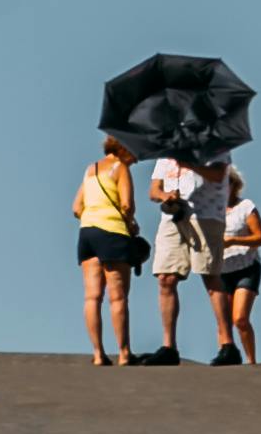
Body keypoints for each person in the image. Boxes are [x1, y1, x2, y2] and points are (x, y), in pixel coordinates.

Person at [74, 139, 140, 360]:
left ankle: (98, 353)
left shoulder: (90, 169)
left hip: (87, 233)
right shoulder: (119, 168)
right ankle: (123, 352)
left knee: (92, 296)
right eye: (134, 153)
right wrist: (131, 224)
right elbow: (127, 205)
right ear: (123, 149)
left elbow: (76, 208)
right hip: (112, 233)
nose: (136, 159)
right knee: (117, 297)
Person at [203, 161, 261, 365]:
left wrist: (233, 240)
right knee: (224, 319)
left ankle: (251, 360)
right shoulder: (210, 212)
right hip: (222, 271)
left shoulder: (245, 207)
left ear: (234, 185)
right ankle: (226, 357)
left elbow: (260, 238)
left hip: (246, 268)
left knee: (240, 318)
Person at [145, 154, 206, 362]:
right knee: (165, 278)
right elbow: (153, 190)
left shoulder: (205, 152)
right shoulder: (164, 158)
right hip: (171, 218)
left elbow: (219, 180)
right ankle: (169, 345)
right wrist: (166, 195)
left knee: (213, 278)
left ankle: (226, 342)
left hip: (202, 216)